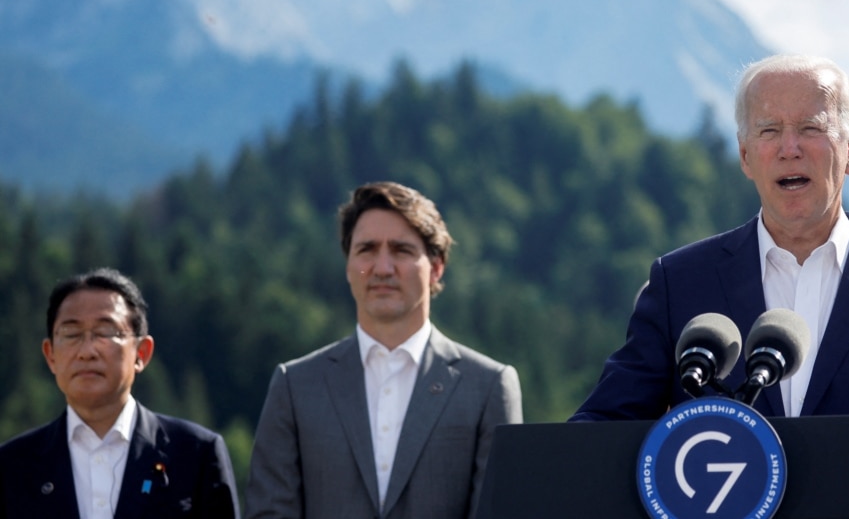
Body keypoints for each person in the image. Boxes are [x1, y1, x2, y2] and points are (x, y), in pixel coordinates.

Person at [570, 54, 849, 503]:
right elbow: (606, 421)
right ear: (746, 157)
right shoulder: (680, 282)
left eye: (810, 128)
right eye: (768, 131)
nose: (789, 148)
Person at [245, 181, 523, 519]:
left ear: (436, 267)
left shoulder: (489, 387)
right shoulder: (295, 386)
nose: (382, 268)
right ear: (348, 266)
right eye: (366, 250)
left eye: (402, 250)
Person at [0, 267, 240, 518]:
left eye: (105, 333)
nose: (87, 351)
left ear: (142, 353)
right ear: (50, 356)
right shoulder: (13, 465)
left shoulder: (195, 454)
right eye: (71, 334)